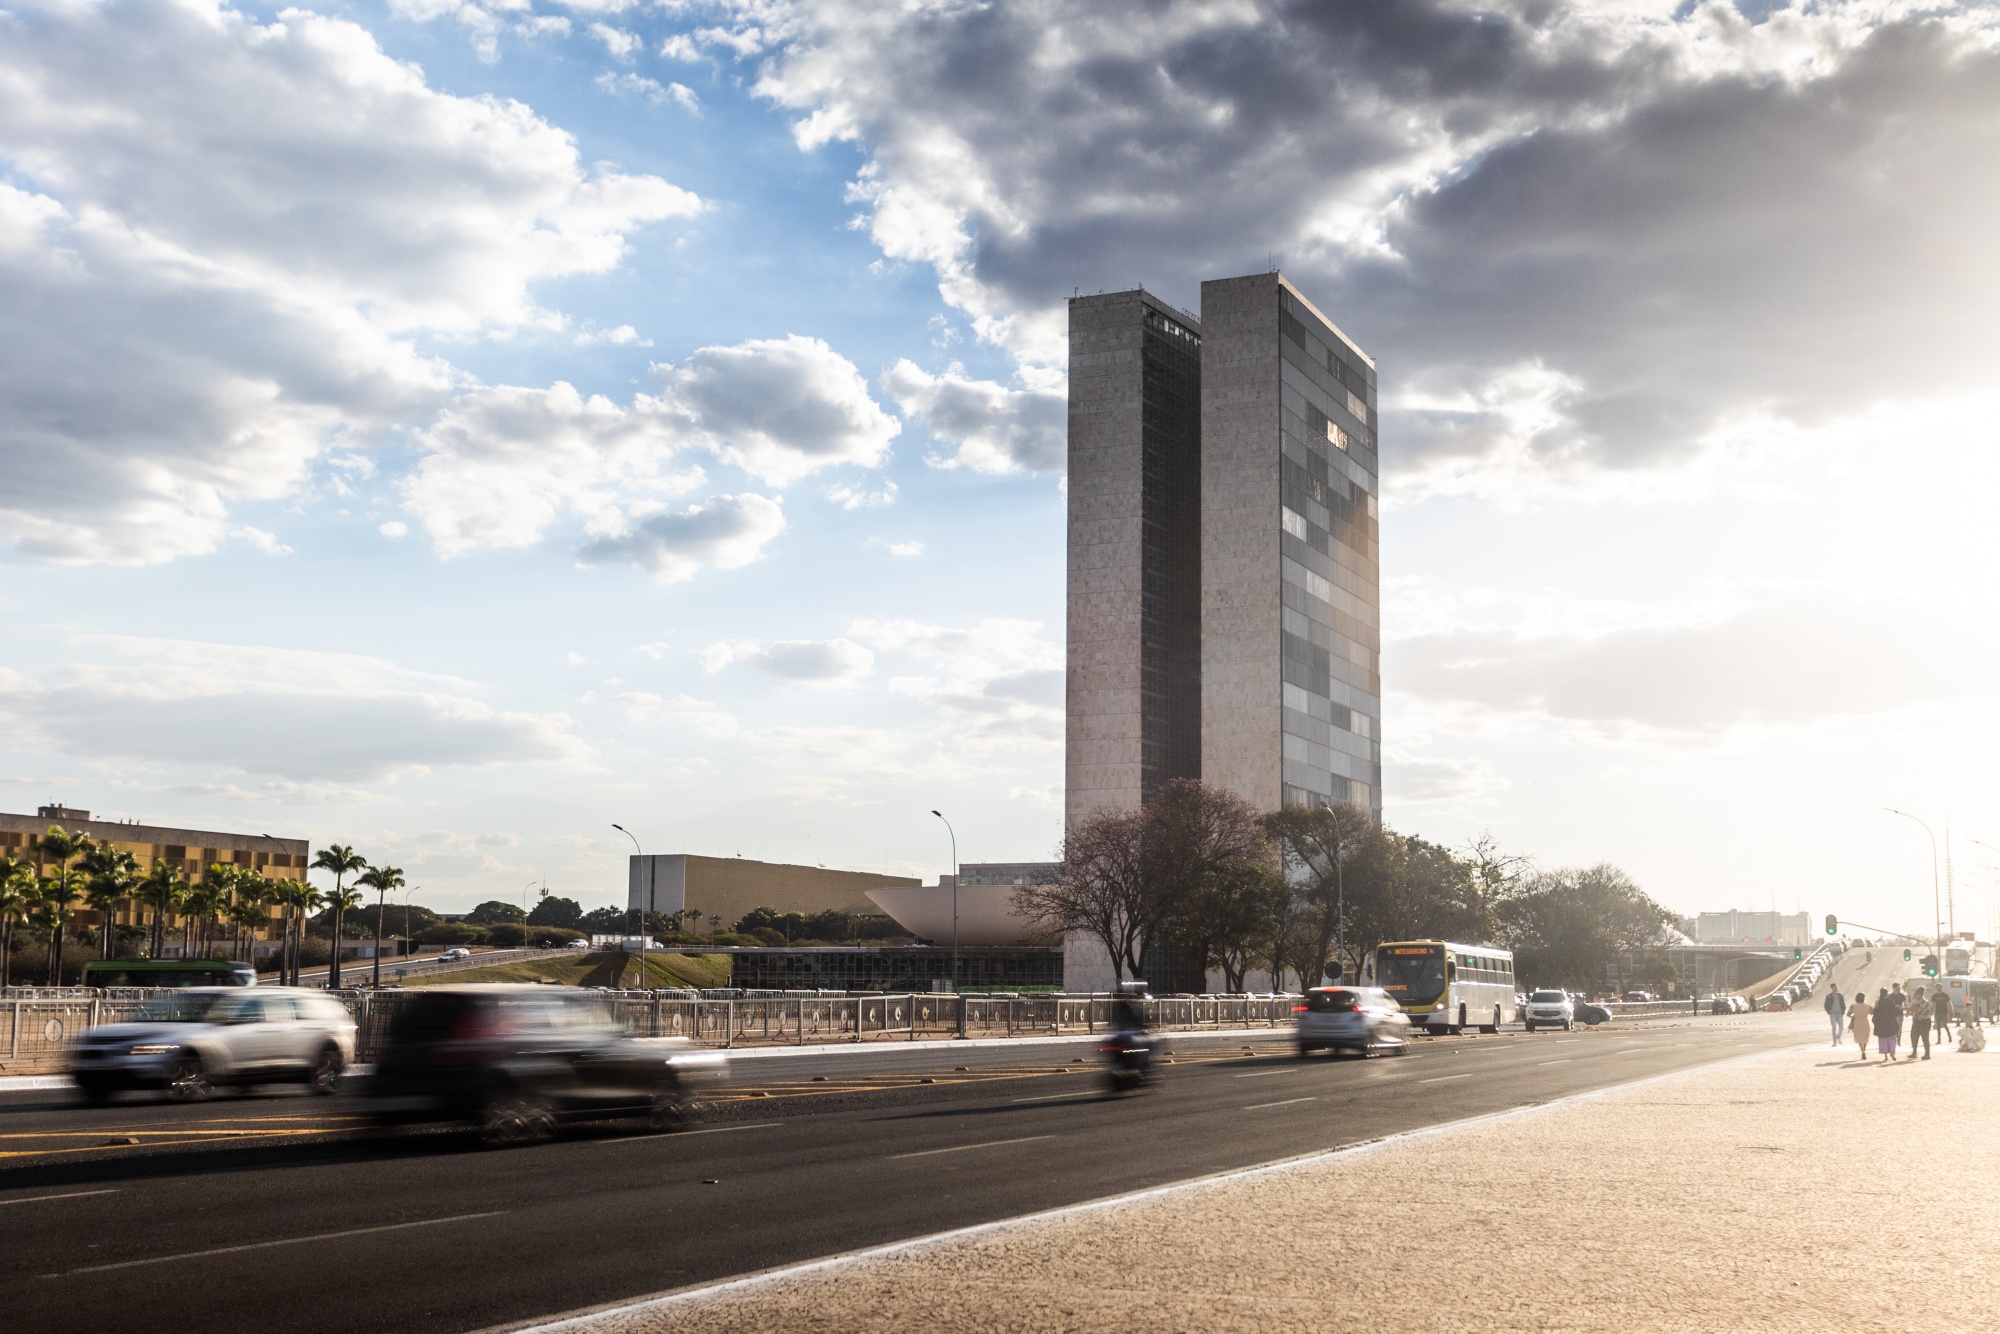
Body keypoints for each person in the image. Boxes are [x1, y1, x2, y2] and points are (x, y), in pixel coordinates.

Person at [1876, 986, 1903, 1061]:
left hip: (1881, 1023)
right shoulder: (1890, 1001)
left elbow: (1876, 1012)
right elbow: (1894, 1012)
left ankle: (1885, 1056)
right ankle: (1892, 1052)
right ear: (1886, 994)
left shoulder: (1878, 1002)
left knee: (1883, 1039)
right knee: (1892, 1038)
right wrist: (1898, 1008)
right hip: (1891, 1022)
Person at [1909, 986, 1932, 1060]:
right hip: (1917, 1021)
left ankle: (1927, 1054)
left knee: (1925, 1038)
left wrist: (1903, 1008)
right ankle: (1914, 1052)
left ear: (1919, 995)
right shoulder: (1916, 1002)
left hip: (1924, 1021)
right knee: (1913, 1037)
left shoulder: (1924, 1002)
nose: (1915, 996)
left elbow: (1916, 1010)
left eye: (1915, 994)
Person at [1848, 991, 1873, 1060]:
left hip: (1857, 1023)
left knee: (1859, 1038)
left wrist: (1853, 1016)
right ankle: (1864, 1049)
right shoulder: (1868, 1006)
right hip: (1865, 1022)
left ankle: (1862, 1051)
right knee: (1865, 1038)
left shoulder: (1853, 1006)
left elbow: (1848, 1014)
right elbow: (1873, 1012)